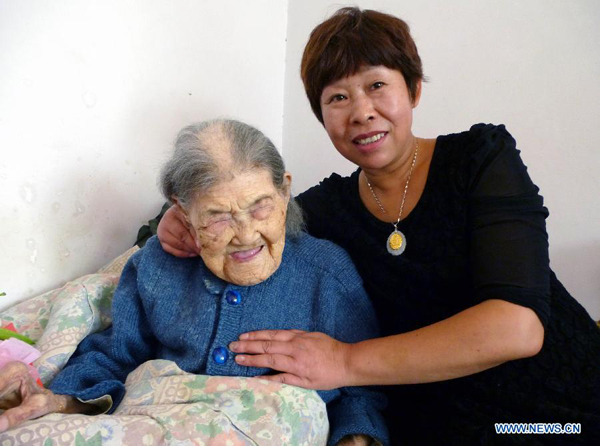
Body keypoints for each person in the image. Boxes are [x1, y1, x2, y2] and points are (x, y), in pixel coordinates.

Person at [153, 7, 600, 445]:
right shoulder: (328, 209)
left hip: (554, 414)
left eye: (377, 85)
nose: (362, 112)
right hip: (433, 421)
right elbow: (249, 213)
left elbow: (517, 327)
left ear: (414, 89)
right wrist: (176, 217)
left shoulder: (480, 160)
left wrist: (344, 361)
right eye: (338, 97)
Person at [0, 119, 389, 446]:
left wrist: (355, 438)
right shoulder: (155, 266)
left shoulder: (326, 273)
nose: (246, 234)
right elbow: (116, 356)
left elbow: (362, 393)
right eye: (218, 216)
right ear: (182, 212)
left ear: (285, 190)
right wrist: (62, 401)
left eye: (260, 206)